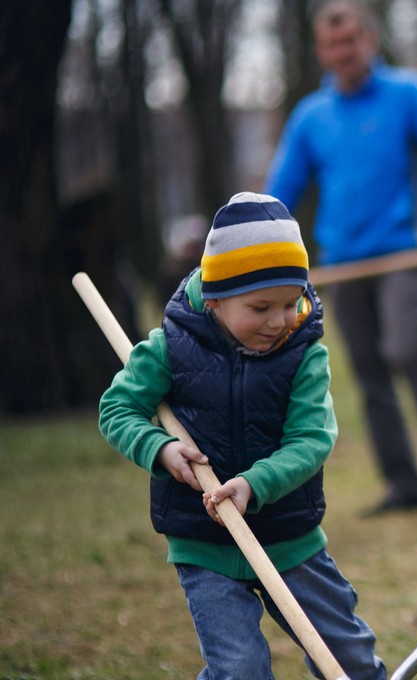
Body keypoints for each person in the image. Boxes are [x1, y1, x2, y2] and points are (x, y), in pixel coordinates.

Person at [98, 192, 387, 679]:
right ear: (214, 298)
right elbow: (118, 408)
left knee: (348, 660)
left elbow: (312, 439)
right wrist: (159, 448)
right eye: (260, 307)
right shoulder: (172, 347)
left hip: (288, 537)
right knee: (241, 670)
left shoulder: (303, 353)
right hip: (204, 543)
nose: (278, 321)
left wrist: (256, 483)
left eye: (290, 303)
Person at [265, 0, 417, 515]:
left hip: (401, 256)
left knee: (408, 351)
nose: (342, 52)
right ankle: (403, 486)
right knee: (368, 370)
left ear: (370, 40)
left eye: (350, 41)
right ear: (322, 51)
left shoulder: (408, 94)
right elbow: (280, 192)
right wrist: (252, 247)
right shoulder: (311, 116)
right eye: (332, 44)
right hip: (343, 264)